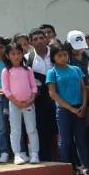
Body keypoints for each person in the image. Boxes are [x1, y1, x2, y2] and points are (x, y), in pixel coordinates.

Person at [47, 46, 89, 175]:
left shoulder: (76, 69)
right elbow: (53, 94)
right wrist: (70, 108)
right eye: (59, 56)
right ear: (54, 58)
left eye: (65, 55)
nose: (63, 58)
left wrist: (84, 105)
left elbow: (82, 88)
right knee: (65, 141)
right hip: (63, 110)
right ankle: (67, 170)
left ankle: (85, 168)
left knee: (81, 140)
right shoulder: (52, 72)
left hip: (80, 108)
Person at [1, 42, 40, 165]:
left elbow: (34, 87)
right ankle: (17, 154)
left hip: (29, 104)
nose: (16, 56)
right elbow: (6, 90)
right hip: (14, 105)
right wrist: (16, 102)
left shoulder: (28, 70)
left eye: (18, 53)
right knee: (15, 130)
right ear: (8, 56)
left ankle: (34, 153)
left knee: (32, 129)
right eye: (13, 54)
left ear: (22, 54)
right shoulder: (6, 71)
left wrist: (31, 99)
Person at [25, 28, 56, 161]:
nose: (39, 41)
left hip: (59, 97)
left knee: (61, 130)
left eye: (41, 38)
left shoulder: (56, 53)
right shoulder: (27, 59)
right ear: (31, 42)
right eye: (35, 39)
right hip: (40, 99)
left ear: (46, 39)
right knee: (43, 129)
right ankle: (47, 159)